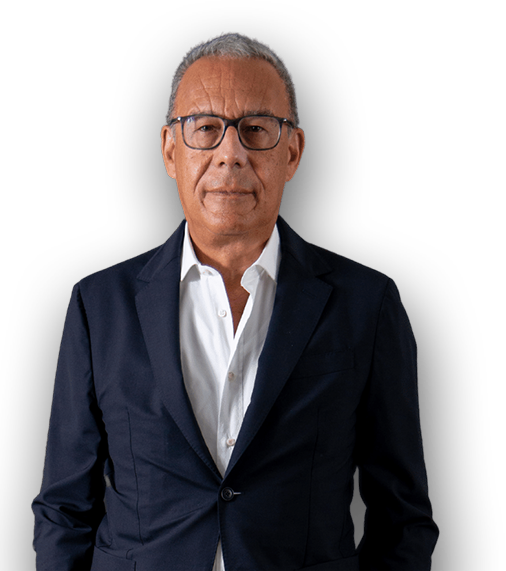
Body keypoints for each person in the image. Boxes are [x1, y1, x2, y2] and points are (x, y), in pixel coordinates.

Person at [32, 31, 439, 570]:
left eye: (256, 129)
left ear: (292, 152)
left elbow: (401, 517)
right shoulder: (98, 304)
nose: (231, 154)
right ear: (169, 150)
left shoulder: (368, 303)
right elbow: (63, 510)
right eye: (206, 128)